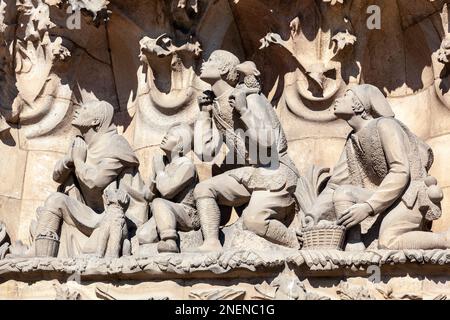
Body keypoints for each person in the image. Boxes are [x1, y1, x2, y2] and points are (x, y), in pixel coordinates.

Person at [308, 84, 447, 250]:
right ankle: (354, 246)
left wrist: (368, 207)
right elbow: (335, 184)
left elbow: (401, 171)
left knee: (388, 242)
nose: (338, 100)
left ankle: (445, 240)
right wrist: (313, 214)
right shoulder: (352, 140)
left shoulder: (385, 125)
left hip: (410, 195)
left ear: (358, 105)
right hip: (384, 198)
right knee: (342, 193)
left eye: (345, 96)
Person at [192, 50, 300, 252]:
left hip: (275, 172)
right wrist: (204, 116)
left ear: (224, 69)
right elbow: (205, 153)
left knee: (254, 221)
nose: (205, 62)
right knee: (203, 189)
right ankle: (212, 243)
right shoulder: (216, 106)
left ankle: (295, 243)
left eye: (212, 60)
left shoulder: (249, 98)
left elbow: (268, 143)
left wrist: (244, 111)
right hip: (250, 174)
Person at [31, 100, 149, 257]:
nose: (78, 110)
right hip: (91, 214)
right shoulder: (81, 143)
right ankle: (39, 256)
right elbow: (56, 176)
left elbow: (95, 182)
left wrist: (78, 161)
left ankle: (43, 260)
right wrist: (69, 160)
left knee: (56, 200)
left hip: (121, 216)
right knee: (56, 199)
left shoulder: (116, 145)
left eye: (85, 108)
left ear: (96, 121)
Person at [138, 123, 199, 253]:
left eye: (171, 135)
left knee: (159, 202)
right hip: (164, 210)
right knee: (143, 235)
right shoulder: (163, 163)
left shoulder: (187, 166)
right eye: (167, 133)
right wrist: (155, 177)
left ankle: (170, 241)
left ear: (181, 145)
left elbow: (167, 192)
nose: (165, 136)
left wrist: (160, 171)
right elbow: (147, 196)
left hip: (185, 213)